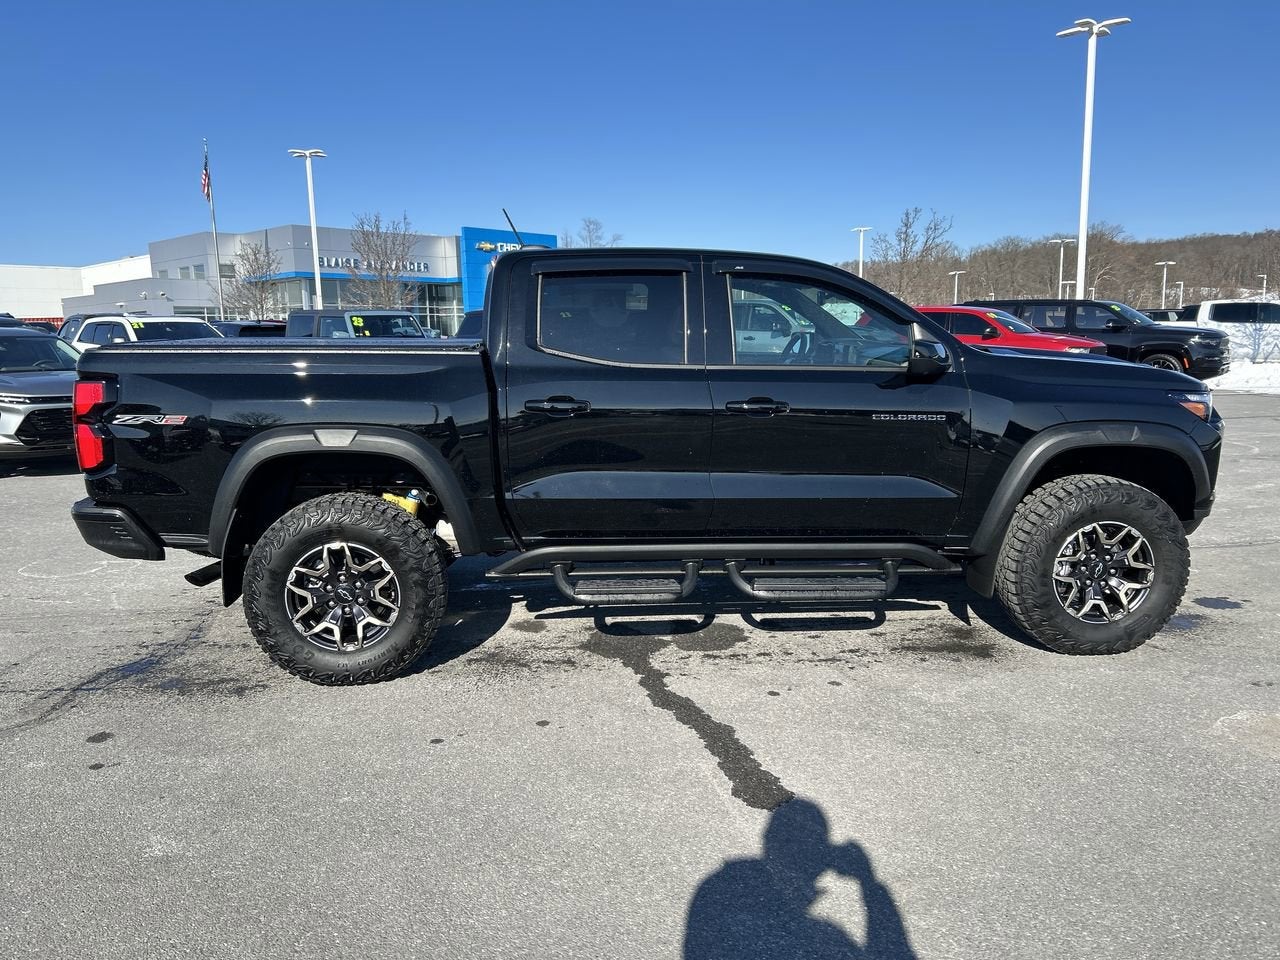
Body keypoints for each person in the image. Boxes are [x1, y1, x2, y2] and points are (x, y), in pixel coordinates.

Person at [683, 798, 918, 959]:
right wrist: (870, 886)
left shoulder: (717, 889)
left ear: (767, 843)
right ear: (820, 860)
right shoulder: (818, 941)